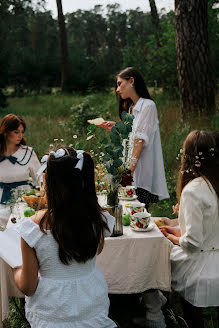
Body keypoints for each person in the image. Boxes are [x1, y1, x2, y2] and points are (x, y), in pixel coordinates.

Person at [13, 147, 117, 328]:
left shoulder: (33, 228)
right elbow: (96, 251)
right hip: (91, 303)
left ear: (47, 183)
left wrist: (16, 271)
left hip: (52, 312)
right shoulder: (99, 220)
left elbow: (29, 287)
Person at [160, 130, 219, 328]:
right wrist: (178, 228)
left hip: (203, 262)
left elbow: (193, 243)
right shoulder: (214, 183)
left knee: (161, 258)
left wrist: (174, 239)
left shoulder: (194, 190)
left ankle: (158, 311)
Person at [99, 67, 169, 211]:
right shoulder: (132, 108)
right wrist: (117, 127)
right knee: (127, 214)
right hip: (132, 173)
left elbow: (139, 142)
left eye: (120, 84)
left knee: (137, 215)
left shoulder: (148, 106)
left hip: (141, 175)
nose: (117, 90)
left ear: (131, 81)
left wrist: (128, 174)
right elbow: (132, 135)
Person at [0, 114, 40, 228]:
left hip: (22, 200)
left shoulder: (28, 153)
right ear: (6, 132)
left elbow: (39, 178)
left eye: (22, 132)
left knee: (19, 223)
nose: (20, 136)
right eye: (16, 132)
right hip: (1, 199)